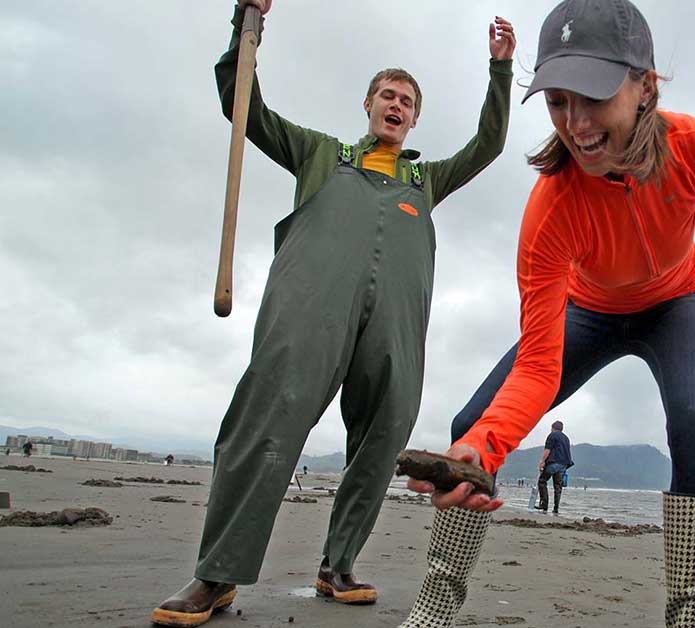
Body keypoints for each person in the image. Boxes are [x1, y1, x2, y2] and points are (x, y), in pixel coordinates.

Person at [402, 1, 695, 627]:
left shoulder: (693, 146)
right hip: (589, 310)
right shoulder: (552, 209)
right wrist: (483, 445)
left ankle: (687, 612)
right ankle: (434, 608)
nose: (575, 123)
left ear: (645, 85)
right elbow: (537, 366)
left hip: (676, 305)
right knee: (474, 421)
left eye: (591, 96)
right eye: (558, 101)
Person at [150, 2, 515, 626]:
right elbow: (246, 108)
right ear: (368, 105)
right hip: (309, 308)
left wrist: (499, 72)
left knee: (386, 432)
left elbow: (487, 145)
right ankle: (216, 574)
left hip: (395, 321)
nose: (395, 106)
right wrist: (248, 23)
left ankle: (337, 563)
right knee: (267, 415)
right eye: (386, 96)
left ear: (415, 116)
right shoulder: (319, 154)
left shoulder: (427, 178)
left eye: (406, 100)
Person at [536, 420, 573, 514]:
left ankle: (544, 504)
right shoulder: (566, 438)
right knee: (558, 487)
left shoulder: (552, 435)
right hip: (563, 465)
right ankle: (556, 508)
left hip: (553, 463)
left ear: (553, 428)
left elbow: (547, 450)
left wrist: (542, 462)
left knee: (542, 481)